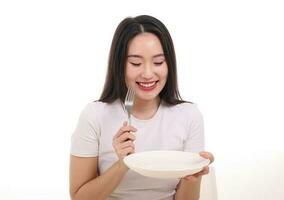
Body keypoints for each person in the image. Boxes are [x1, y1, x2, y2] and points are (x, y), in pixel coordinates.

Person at [69, 15, 214, 200]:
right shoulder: (95, 115)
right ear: (119, 65)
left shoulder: (189, 115)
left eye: (158, 62)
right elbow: (78, 197)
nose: (147, 73)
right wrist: (123, 164)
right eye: (136, 63)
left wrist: (192, 177)